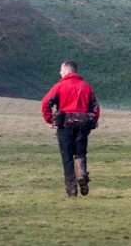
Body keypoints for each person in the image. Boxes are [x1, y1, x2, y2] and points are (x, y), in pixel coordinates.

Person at [41, 60, 100, 197]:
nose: (60, 73)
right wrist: (92, 121)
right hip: (83, 125)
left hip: (65, 125)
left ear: (67, 70)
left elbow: (45, 103)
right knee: (80, 153)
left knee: (67, 156)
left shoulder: (59, 86)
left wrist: (50, 120)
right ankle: (82, 174)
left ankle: (71, 188)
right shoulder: (86, 86)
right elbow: (95, 108)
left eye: (61, 70)